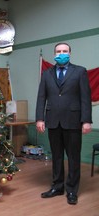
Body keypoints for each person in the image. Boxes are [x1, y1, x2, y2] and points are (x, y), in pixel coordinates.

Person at [36, 42, 92, 205]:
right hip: (53, 121)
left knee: (73, 158)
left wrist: (86, 120)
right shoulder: (46, 74)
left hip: (73, 121)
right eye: (59, 51)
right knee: (57, 157)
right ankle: (57, 187)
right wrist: (40, 118)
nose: (62, 53)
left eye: (65, 51)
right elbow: (41, 98)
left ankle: (72, 190)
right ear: (54, 53)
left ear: (70, 53)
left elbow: (85, 98)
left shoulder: (80, 72)